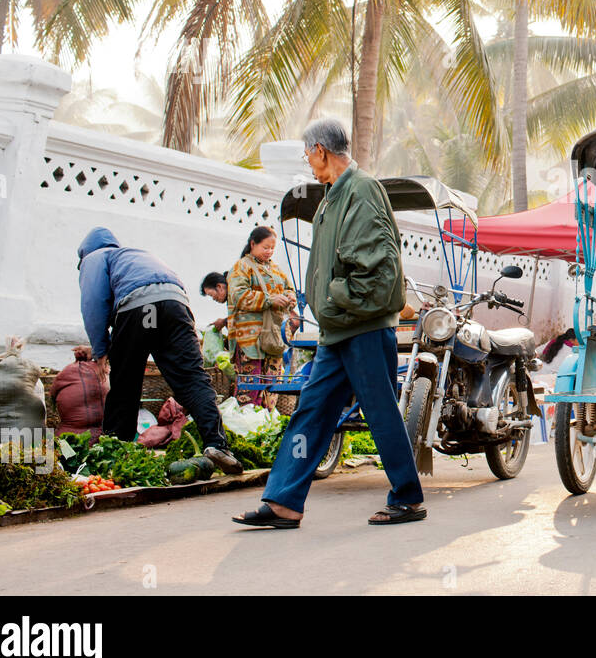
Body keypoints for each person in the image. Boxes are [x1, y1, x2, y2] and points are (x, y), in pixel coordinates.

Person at [233, 118, 424, 529]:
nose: (308, 162)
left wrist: (336, 297)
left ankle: (408, 498)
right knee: (312, 412)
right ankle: (284, 502)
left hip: (364, 326)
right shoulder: (331, 197)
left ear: (320, 150)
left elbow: (378, 266)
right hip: (337, 330)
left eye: (308, 155)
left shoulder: (362, 190)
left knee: (380, 413)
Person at [77, 228, 243, 474]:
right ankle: (217, 444)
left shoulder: (95, 257)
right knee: (192, 378)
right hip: (175, 306)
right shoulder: (134, 256)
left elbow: (93, 304)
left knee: (125, 382)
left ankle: (116, 452)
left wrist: (100, 351)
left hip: (141, 308)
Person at [227, 226, 298, 409]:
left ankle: (266, 420)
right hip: (250, 338)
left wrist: (290, 297)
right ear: (253, 244)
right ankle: (247, 421)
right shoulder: (241, 267)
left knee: (272, 387)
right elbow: (238, 295)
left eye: (272, 248)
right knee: (250, 388)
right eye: (266, 247)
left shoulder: (276, 269)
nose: (269, 252)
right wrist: (269, 299)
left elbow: (289, 289)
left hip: (274, 335)